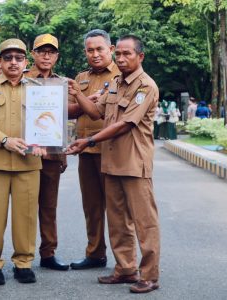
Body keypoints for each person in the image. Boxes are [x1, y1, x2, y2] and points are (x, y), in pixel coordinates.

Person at [67, 34, 161, 294]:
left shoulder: (145, 86)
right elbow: (95, 112)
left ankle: (150, 274)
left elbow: (124, 124)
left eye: (126, 54)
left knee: (144, 222)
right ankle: (125, 269)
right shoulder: (115, 83)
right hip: (111, 162)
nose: (120, 58)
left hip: (134, 163)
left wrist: (89, 140)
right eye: (118, 54)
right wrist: (78, 94)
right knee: (118, 221)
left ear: (140, 56)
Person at [0, 38, 46, 286]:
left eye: (18, 58)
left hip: (28, 163)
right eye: (8, 58)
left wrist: (47, 140)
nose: (13, 62)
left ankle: (23, 262)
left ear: (26, 62)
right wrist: (4, 140)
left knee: (25, 216)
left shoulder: (38, 88)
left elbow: (49, 120)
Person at [68, 29, 120, 270]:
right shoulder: (81, 78)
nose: (95, 54)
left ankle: (124, 259)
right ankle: (95, 254)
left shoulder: (123, 74)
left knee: (117, 209)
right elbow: (70, 109)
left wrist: (85, 99)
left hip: (112, 151)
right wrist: (85, 98)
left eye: (100, 49)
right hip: (85, 152)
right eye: (90, 50)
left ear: (111, 49)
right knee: (92, 207)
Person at [24, 34, 68, 271]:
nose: (46, 55)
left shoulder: (61, 84)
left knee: (49, 207)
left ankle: (48, 253)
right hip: (27, 154)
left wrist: (62, 153)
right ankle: (24, 255)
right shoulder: (21, 81)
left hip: (51, 155)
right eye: (42, 51)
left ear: (57, 56)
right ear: (33, 54)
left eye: (51, 51)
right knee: (26, 207)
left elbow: (61, 118)